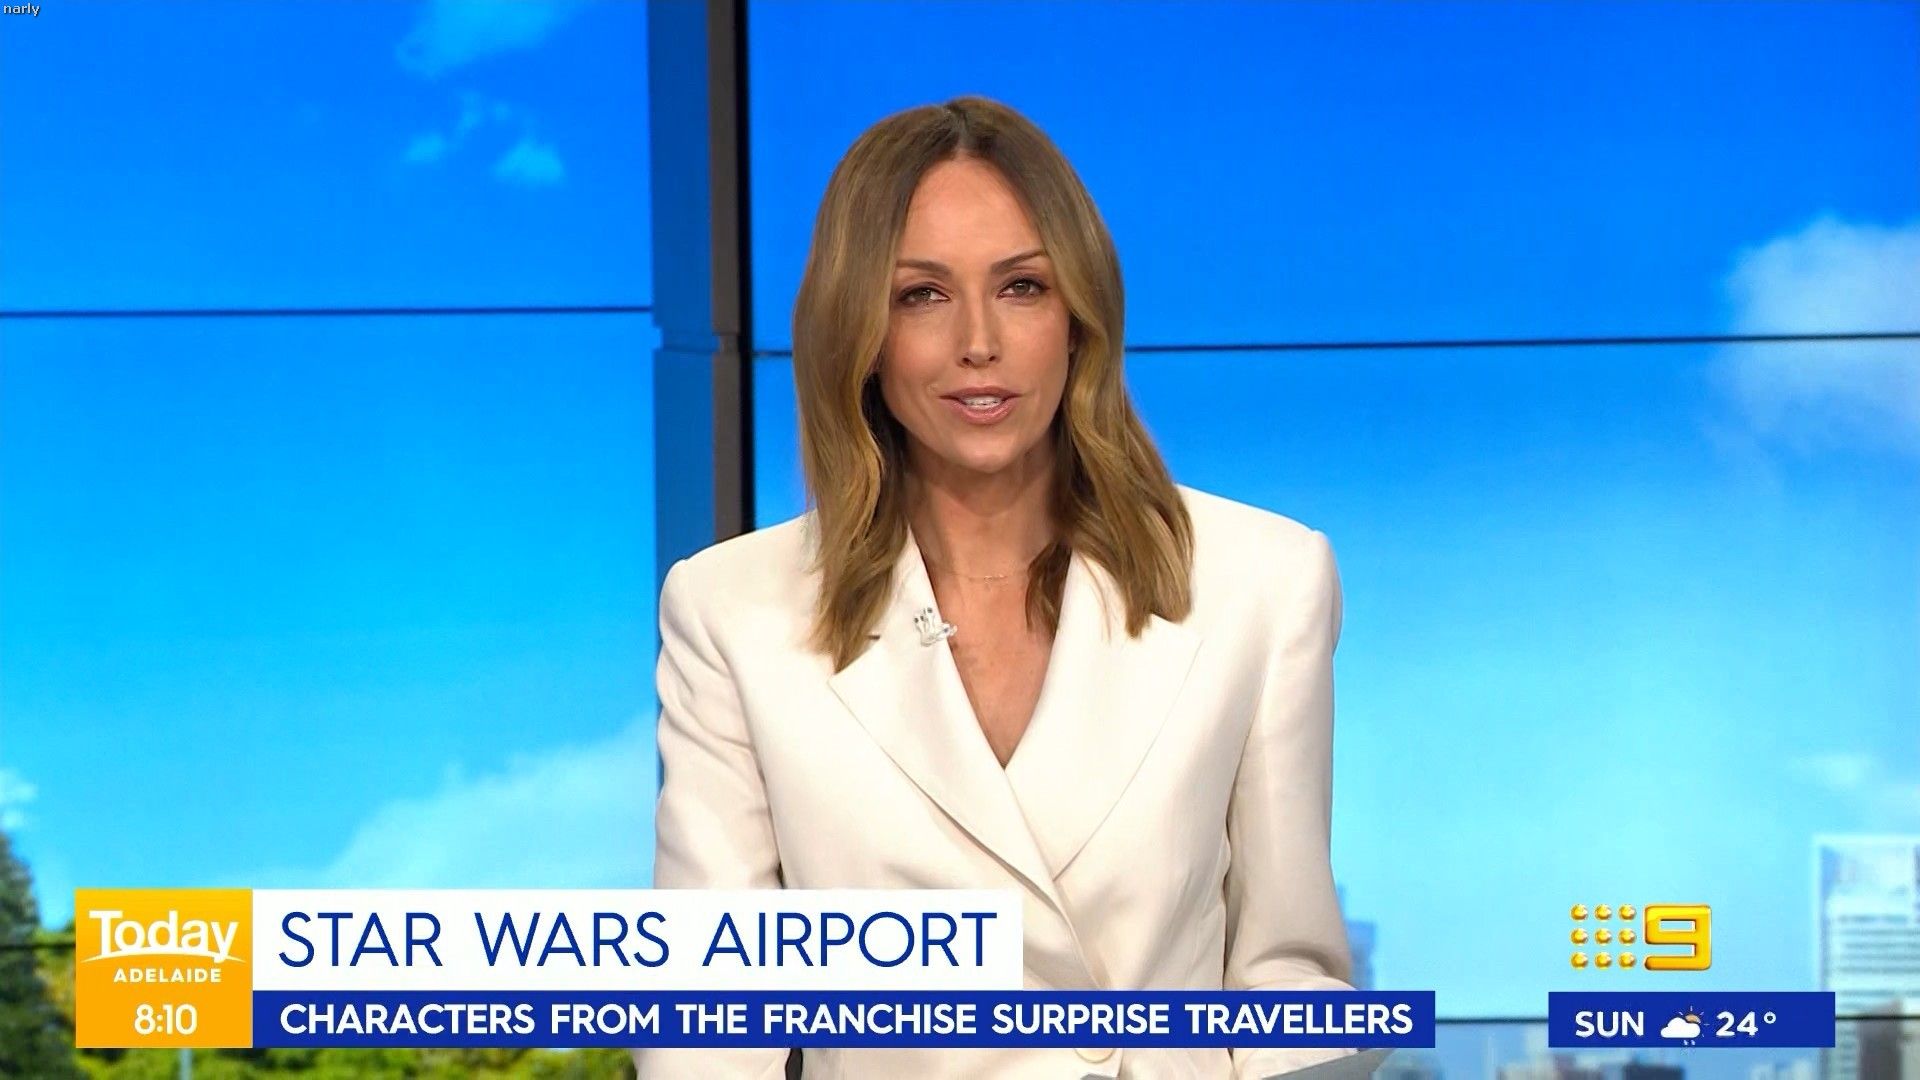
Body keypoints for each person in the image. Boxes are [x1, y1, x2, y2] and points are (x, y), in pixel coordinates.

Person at [633, 95, 1355, 1080]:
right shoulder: (733, 611)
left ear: (1079, 318)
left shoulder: (1260, 580)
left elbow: (1291, 978)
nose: (979, 341)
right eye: (922, 295)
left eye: (1022, 287)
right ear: (859, 331)